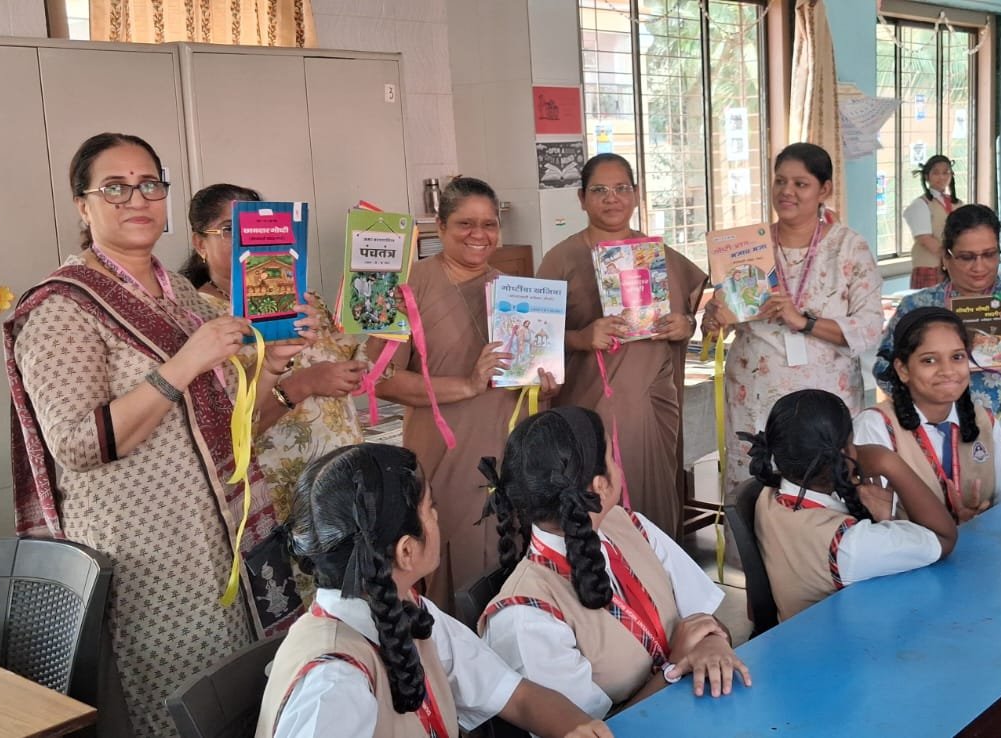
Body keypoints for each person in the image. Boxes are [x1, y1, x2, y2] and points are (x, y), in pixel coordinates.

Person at [5, 133, 315, 735]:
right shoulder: (62, 307)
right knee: (177, 707)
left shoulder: (184, 300)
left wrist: (274, 363)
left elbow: (231, 425)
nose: (136, 199)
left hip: (224, 537)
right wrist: (185, 363)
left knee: (243, 698)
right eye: (114, 188)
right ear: (82, 205)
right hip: (147, 554)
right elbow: (77, 444)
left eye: (149, 184)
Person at [257, 444, 614, 738]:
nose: (438, 518)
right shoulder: (333, 685)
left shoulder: (407, 609)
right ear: (406, 551)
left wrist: (579, 728)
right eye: (431, 509)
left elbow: (516, 696)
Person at [479, 407, 749, 718]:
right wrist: (674, 666)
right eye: (613, 458)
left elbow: (706, 620)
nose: (619, 466)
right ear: (600, 486)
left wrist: (713, 643)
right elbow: (586, 731)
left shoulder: (629, 525)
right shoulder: (526, 616)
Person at [375, 175, 560, 611]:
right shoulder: (403, 289)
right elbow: (382, 380)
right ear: (439, 227)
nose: (479, 235)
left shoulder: (516, 291)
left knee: (511, 558)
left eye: (489, 224)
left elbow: (530, 380)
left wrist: (545, 388)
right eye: (465, 224)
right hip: (445, 453)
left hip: (509, 452)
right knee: (452, 566)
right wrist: (466, 385)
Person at [537, 153, 706, 536]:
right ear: (582, 198)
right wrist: (581, 338)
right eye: (599, 190)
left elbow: (688, 318)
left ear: (636, 194)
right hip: (588, 405)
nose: (611, 198)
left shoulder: (658, 257)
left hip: (651, 407)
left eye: (621, 188)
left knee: (653, 506)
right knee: (594, 508)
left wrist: (686, 325)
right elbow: (534, 341)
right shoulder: (560, 260)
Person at [702, 143, 884, 494]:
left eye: (800, 184)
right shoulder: (747, 247)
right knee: (755, 491)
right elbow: (724, 324)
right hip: (755, 396)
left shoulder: (849, 248)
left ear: (824, 190)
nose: (787, 191)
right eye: (780, 181)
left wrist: (805, 322)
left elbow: (870, 328)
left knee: (825, 489)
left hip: (823, 400)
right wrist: (714, 320)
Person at [183, 183, 370, 526]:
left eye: (255, 227)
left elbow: (359, 368)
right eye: (230, 229)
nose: (247, 240)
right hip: (277, 492)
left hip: (340, 480)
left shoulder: (305, 301)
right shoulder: (199, 318)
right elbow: (221, 431)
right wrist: (303, 384)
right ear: (200, 244)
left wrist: (389, 320)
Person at [876, 204, 1001, 485]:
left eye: (989, 254)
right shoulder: (919, 307)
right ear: (945, 257)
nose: (979, 267)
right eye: (966, 257)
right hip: (942, 446)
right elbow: (886, 372)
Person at [745, 389, 956, 620]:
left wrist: (883, 523)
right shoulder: (851, 545)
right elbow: (944, 537)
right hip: (840, 638)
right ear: (846, 452)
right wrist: (888, 461)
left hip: (799, 631)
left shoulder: (769, 494)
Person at [858, 307, 1001, 522]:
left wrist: (975, 524)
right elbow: (872, 523)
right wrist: (952, 529)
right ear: (903, 370)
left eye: (957, 357)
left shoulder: (985, 422)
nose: (948, 371)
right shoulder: (876, 426)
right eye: (929, 360)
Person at [902, 155, 962, 289]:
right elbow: (925, 239)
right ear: (927, 177)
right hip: (930, 268)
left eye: (946, 172)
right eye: (936, 173)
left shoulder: (957, 203)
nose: (941, 177)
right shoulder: (920, 204)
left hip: (954, 267)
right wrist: (950, 258)